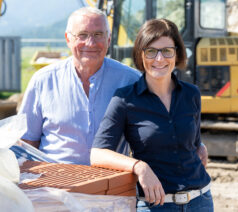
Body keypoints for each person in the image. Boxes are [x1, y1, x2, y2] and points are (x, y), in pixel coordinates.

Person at [19, 7, 208, 166]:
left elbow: (160, 126)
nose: (90, 43)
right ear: (68, 39)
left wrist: (194, 144)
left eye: (98, 34)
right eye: (82, 35)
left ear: (109, 40)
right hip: (56, 192)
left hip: (112, 193)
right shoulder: (43, 81)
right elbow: (27, 143)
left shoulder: (130, 80)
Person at [91, 19, 213, 211]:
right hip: (156, 205)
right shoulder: (125, 100)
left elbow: (194, 143)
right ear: (141, 55)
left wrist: (199, 145)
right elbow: (97, 154)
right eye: (151, 51)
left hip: (200, 201)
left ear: (177, 53)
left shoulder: (191, 94)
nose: (159, 59)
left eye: (167, 51)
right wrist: (140, 167)